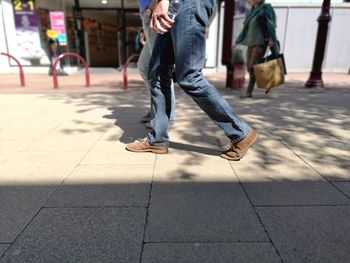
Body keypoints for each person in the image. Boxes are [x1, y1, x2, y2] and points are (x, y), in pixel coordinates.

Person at [126, 0, 258, 161]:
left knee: (190, 77)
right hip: (174, 6)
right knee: (157, 72)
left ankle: (241, 133)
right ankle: (157, 139)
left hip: (188, 3)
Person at [137, 0, 176, 125]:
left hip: (155, 14)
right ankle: (156, 108)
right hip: (149, 17)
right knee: (143, 66)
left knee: (160, 70)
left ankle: (165, 115)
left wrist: (151, 10)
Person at [236, 0, 279, 98]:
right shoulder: (252, 12)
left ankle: (249, 92)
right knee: (249, 66)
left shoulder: (266, 8)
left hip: (260, 42)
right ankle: (269, 80)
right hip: (251, 43)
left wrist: (271, 39)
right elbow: (245, 30)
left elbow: (270, 24)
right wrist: (237, 41)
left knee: (252, 66)